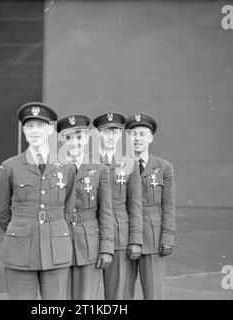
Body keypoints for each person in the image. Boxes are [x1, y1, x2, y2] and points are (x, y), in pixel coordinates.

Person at [0, 102, 76, 300]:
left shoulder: (66, 166)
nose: (34, 131)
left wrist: (54, 230)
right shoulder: (10, 166)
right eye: (29, 126)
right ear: (23, 130)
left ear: (50, 129)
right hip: (20, 250)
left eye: (40, 126)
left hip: (56, 249)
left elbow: (69, 206)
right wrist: (19, 230)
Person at [57, 113, 114, 300]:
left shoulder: (99, 169)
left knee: (86, 299)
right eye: (68, 138)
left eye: (79, 137)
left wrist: (106, 248)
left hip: (89, 244)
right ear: (61, 139)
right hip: (59, 241)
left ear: (87, 137)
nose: (74, 143)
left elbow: (106, 212)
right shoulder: (52, 169)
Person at [125, 113, 176, 300]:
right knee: (121, 295)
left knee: (154, 293)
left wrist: (168, 238)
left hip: (153, 238)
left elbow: (168, 206)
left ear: (151, 137)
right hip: (124, 235)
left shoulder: (164, 168)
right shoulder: (118, 166)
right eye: (133, 134)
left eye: (142, 134)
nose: (137, 138)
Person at [92, 112, 143, 300]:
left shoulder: (130, 164)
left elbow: (135, 205)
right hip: (90, 235)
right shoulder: (86, 161)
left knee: (118, 295)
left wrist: (135, 239)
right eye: (106, 132)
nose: (111, 137)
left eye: (115, 132)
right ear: (98, 135)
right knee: (85, 293)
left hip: (119, 236)